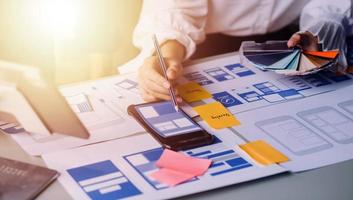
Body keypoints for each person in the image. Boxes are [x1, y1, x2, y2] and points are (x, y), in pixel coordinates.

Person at [130, 0, 351, 102]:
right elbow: (175, 8)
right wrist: (167, 54)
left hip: (296, 37)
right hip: (202, 48)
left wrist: (326, 25)